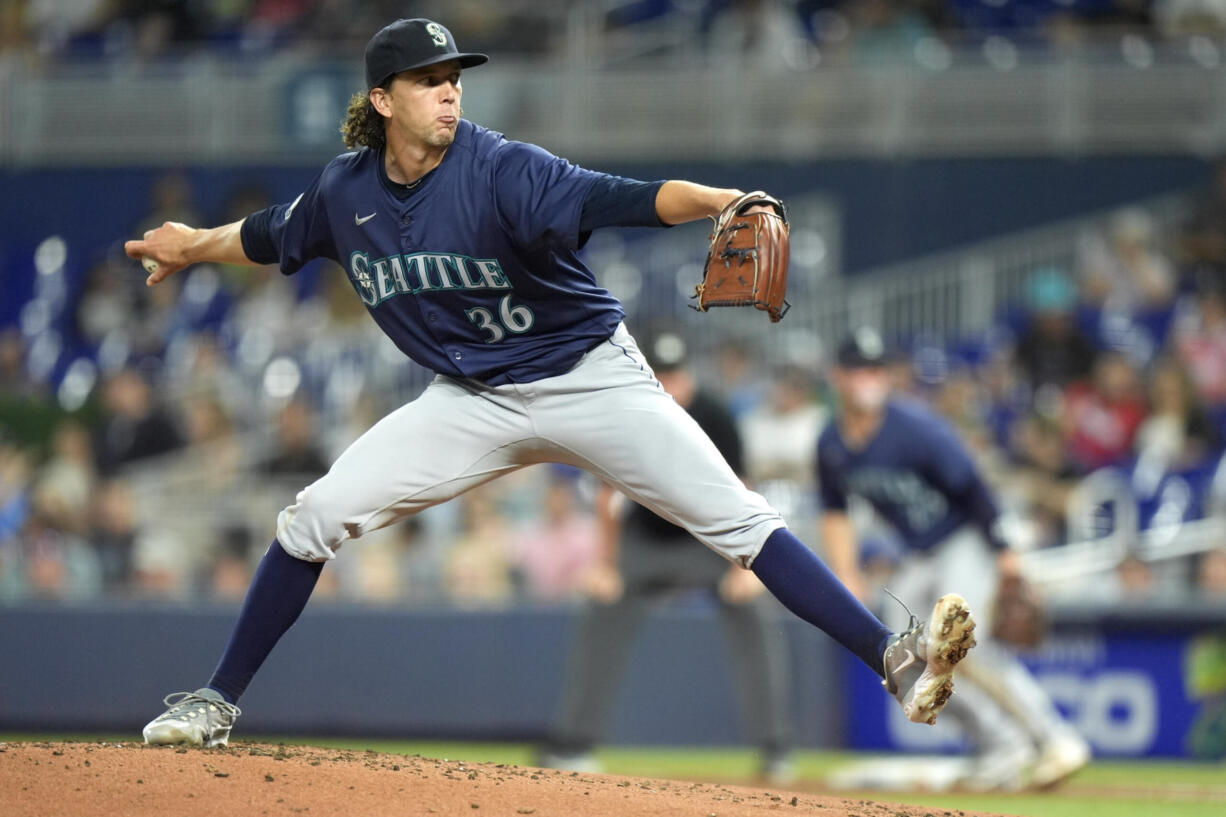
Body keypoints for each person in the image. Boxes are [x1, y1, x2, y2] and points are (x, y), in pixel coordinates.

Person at [127, 17, 976, 749]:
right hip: (470, 400)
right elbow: (270, 233)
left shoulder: (502, 169)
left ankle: (892, 661)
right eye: (428, 82)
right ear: (383, 99)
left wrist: (719, 198)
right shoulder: (346, 191)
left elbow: (628, 198)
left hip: (588, 378)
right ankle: (216, 698)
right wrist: (192, 242)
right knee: (311, 515)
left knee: (741, 520)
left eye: (453, 78)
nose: (450, 93)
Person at [817, 328, 1090, 790]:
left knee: (962, 643)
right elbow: (834, 511)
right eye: (859, 369)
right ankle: (1002, 745)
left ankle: (1057, 739)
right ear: (838, 377)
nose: (868, 379)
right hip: (919, 554)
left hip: (965, 539)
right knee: (897, 657)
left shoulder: (915, 429)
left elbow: (974, 488)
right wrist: (846, 572)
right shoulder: (832, 443)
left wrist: (1006, 554)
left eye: (876, 369)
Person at [542, 333, 795, 782]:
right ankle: (573, 743)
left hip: (707, 542)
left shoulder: (714, 414)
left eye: (677, 374)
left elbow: (742, 490)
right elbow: (608, 494)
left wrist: (747, 565)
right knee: (602, 609)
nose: (671, 384)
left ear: (690, 373)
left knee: (752, 611)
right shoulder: (630, 412)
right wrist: (605, 563)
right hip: (646, 539)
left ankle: (775, 749)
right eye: (662, 374)